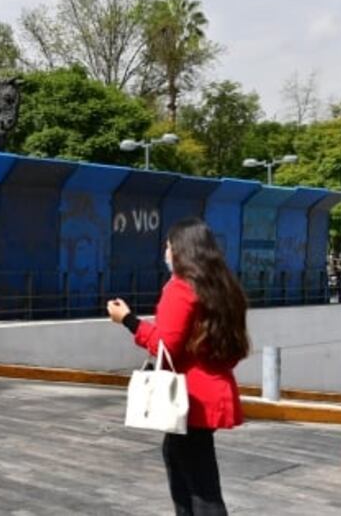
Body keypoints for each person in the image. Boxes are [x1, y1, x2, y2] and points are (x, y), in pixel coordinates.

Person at [106, 217, 249, 515]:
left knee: (200, 486)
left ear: (183, 250)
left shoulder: (181, 288)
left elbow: (163, 347)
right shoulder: (224, 289)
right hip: (212, 393)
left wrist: (128, 321)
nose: (166, 252)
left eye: (169, 246)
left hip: (189, 399)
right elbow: (233, 347)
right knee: (187, 467)